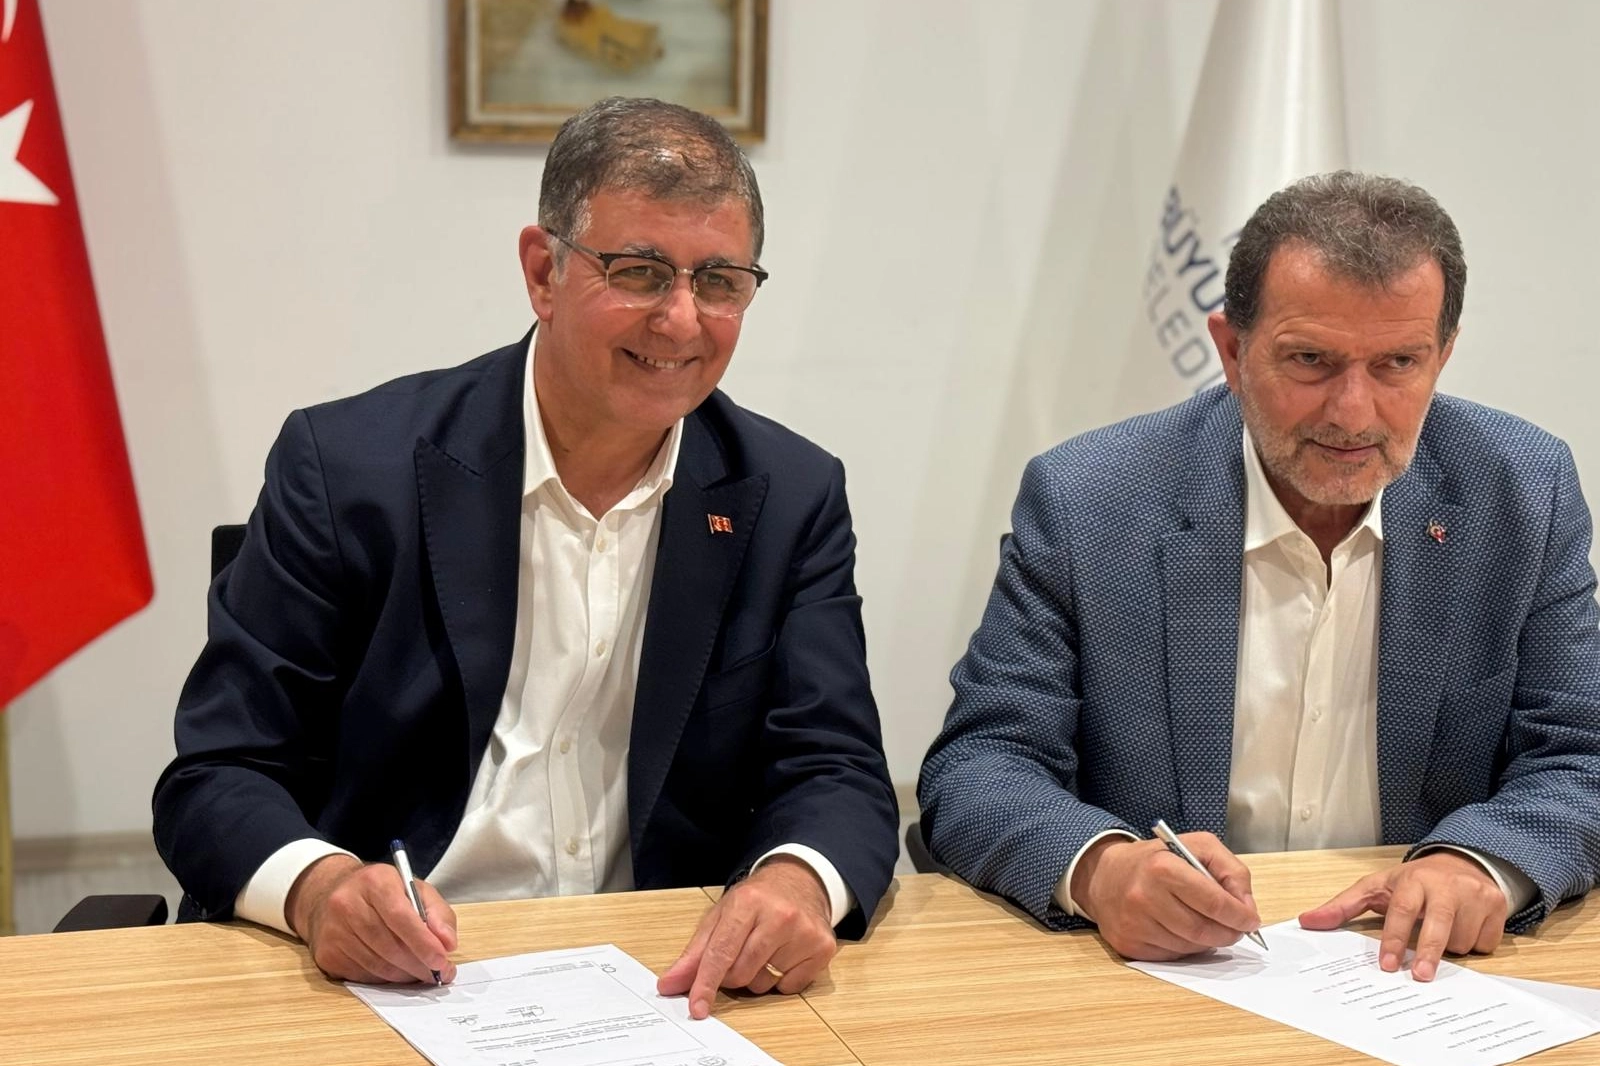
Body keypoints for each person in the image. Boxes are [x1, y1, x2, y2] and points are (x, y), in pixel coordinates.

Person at [153, 97, 898, 1018]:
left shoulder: (789, 495)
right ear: (544, 271)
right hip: (390, 981)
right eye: (639, 272)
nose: (681, 320)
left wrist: (796, 881)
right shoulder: (347, 470)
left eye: (719, 282)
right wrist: (320, 891)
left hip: (663, 986)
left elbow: (836, 769)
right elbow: (219, 772)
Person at [918, 171, 1600, 982]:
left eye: (1398, 363)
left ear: (1443, 354)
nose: (1353, 412)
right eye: (1310, 360)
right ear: (1233, 352)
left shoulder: (1522, 493)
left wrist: (1482, 862)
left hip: (1412, 975)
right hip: (1161, 974)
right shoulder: (1090, 500)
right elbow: (981, 764)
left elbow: (1583, 753)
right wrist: (1102, 869)